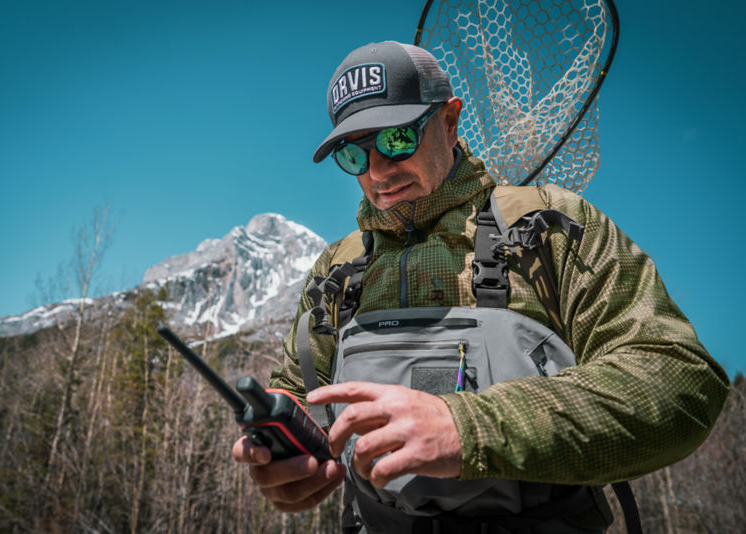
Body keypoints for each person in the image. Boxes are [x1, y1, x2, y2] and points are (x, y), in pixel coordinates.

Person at [232, 41, 729, 533]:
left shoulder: (550, 227)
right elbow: (299, 393)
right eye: (353, 156)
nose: (378, 171)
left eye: (397, 139)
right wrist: (286, 456)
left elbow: (677, 379)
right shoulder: (335, 270)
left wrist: (470, 428)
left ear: (450, 122)